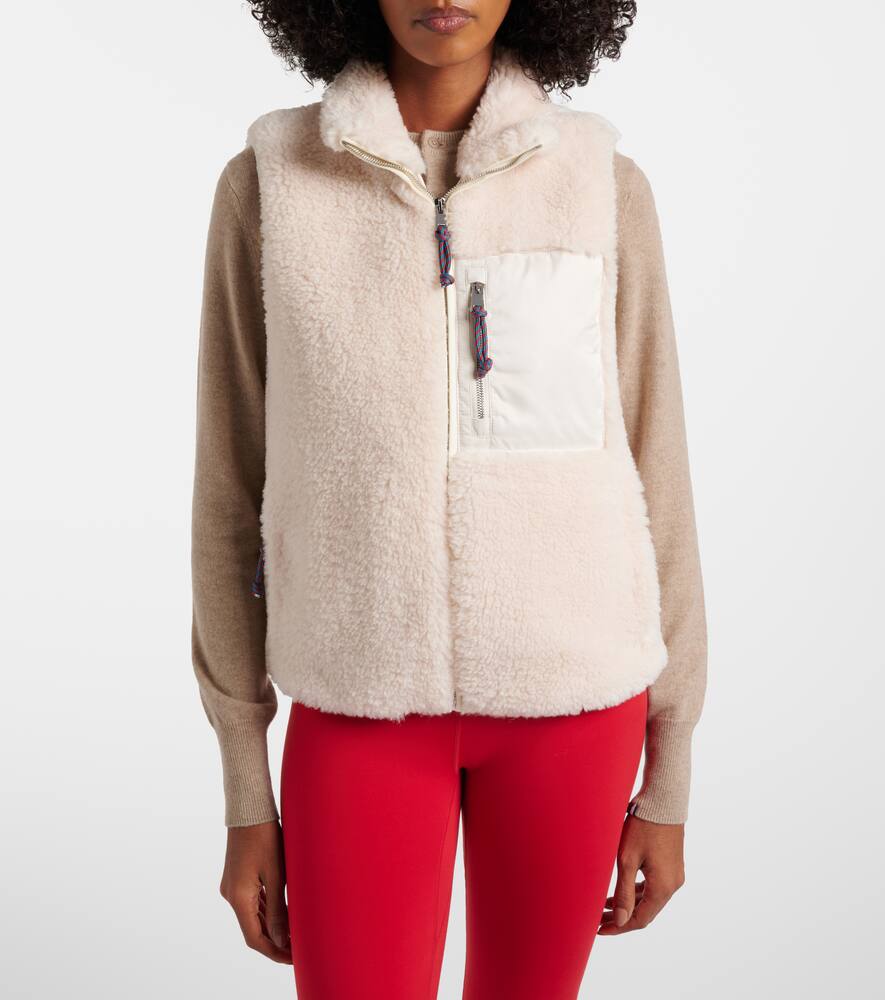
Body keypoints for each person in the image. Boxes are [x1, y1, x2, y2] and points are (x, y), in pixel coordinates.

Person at [191, 1, 707, 996]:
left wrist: (671, 770)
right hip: (359, 704)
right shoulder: (270, 183)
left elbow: (659, 468)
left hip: (575, 704)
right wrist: (245, 790)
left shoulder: (602, 185)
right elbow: (227, 487)